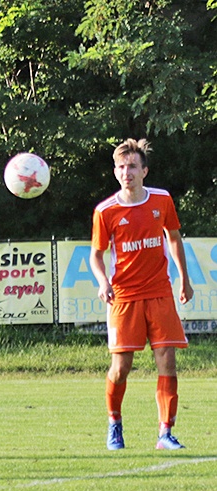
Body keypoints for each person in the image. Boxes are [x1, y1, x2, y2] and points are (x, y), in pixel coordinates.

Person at [90, 138, 193, 451]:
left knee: (167, 360)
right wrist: (103, 281)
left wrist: (184, 279)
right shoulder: (105, 211)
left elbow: (174, 238)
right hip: (124, 296)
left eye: (132, 166)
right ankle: (114, 423)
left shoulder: (161, 200)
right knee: (121, 367)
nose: (126, 172)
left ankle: (165, 433)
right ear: (115, 172)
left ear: (144, 170)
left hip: (160, 291)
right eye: (121, 167)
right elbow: (96, 255)